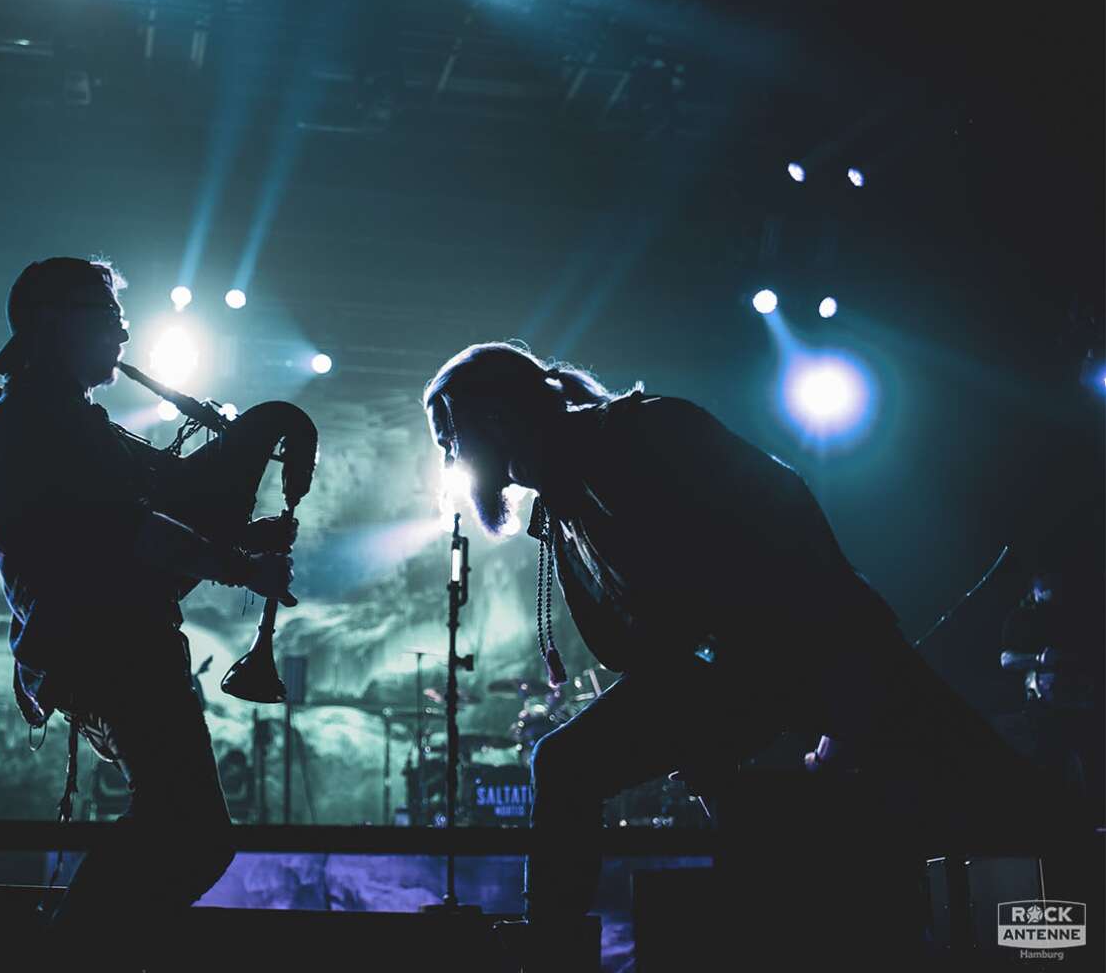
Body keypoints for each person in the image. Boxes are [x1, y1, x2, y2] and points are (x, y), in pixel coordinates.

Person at [423, 342, 1055, 966]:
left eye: (452, 437)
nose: (452, 458)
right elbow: (630, 649)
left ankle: (1067, 891)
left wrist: (767, 685)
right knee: (566, 764)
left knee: (992, 793)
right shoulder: (567, 498)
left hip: (819, 643)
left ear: (498, 420)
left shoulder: (641, 432)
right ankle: (551, 947)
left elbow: (782, 506)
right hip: (747, 671)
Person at [0, 257, 296, 967]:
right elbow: (132, 532)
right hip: (106, 647)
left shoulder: (57, 416)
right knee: (188, 831)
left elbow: (144, 518)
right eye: (107, 314)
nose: (123, 331)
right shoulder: (42, 417)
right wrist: (243, 566)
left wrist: (237, 540)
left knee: (182, 828)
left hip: (109, 646)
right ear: (56, 322)